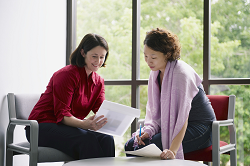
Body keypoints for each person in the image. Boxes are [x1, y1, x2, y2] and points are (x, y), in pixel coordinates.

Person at [124, 28, 216, 160]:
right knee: (131, 145)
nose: (148, 61)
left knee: (140, 147)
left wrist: (172, 150)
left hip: (201, 129)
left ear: (167, 54)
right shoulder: (155, 73)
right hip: (173, 127)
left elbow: (182, 118)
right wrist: (147, 131)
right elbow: (154, 113)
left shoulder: (181, 74)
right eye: (145, 56)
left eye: (153, 57)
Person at [26, 33, 115, 160]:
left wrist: (116, 119)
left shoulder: (98, 81)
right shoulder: (66, 75)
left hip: (69, 127)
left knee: (107, 139)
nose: (98, 61)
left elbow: (102, 110)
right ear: (83, 53)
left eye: (102, 57)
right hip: (41, 127)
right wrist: (85, 124)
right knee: (87, 139)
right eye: (94, 56)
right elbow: (62, 115)